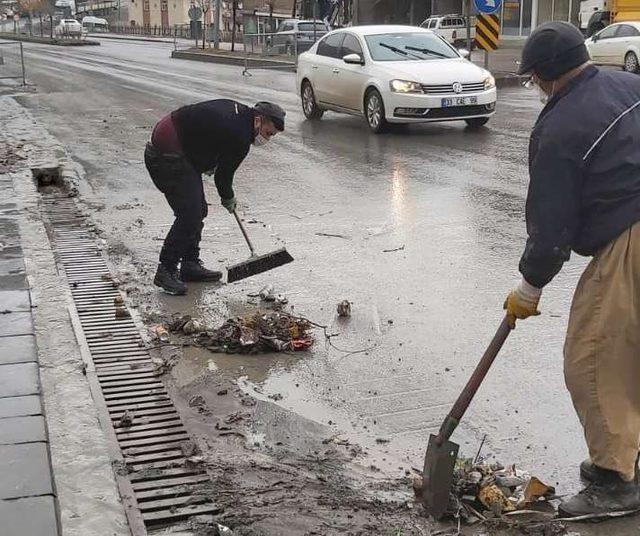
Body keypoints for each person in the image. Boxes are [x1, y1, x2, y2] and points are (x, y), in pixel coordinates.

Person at [504, 21, 640, 517]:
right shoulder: (630, 85)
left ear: (544, 76)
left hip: (631, 233)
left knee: (595, 358)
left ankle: (613, 481)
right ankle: (627, 454)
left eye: (534, 79)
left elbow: (552, 226)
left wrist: (529, 286)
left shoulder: (562, 127)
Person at [144, 100, 286, 295]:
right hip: (166, 154)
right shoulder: (241, 135)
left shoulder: (241, 115)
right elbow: (223, 177)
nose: (266, 140)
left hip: (176, 146)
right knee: (190, 214)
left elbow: (208, 133)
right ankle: (166, 270)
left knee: (198, 209)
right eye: (268, 133)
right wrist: (228, 197)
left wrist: (208, 160)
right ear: (259, 120)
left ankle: (190, 264)